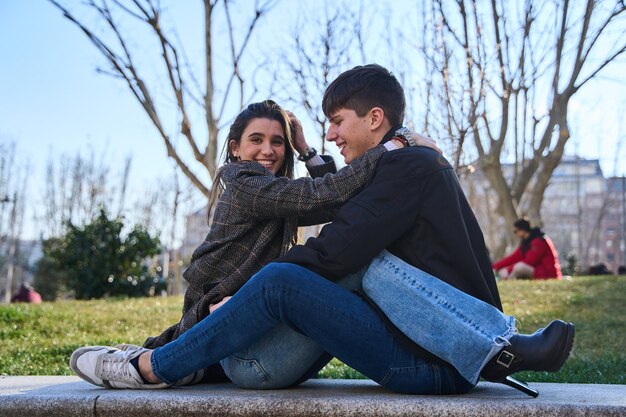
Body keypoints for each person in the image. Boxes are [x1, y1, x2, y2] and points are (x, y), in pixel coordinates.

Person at [70, 65, 574, 397]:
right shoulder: (243, 183)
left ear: (374, 119)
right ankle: (161, 363)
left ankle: (150, 368)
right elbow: (332, 204)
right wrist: (390, 145)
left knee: (330, 268)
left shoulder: (406, 167)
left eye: (336, 121)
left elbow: (333, 211)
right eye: (255, 141)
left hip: (433, 359)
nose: (330, 132)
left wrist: (325, 153)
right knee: (338, 266)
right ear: (234, 149)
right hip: (265, 347)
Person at [493, 219, 562, 280]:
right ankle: (508, 279)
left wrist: (508, 270)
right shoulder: (527, 242)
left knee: (519, 267)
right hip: (537, 272)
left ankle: (509, 280)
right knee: (505, 270)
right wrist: (495, 266)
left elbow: (530, 261)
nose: (515, 234)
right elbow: (513, 257)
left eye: (516, 231)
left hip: (549, 275)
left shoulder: (538, 241)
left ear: (522, 230)